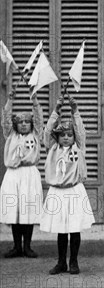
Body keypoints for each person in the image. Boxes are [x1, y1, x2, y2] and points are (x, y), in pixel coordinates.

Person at [41, 95, 95, 275]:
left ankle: (74, 261)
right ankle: (61, 262)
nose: (66, 138)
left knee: (74, 228)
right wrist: (56, 111)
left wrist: (75, 111)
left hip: (74, 191)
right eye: (62, 135)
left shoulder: (78, 148)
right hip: (58, 191)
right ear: (57, 137)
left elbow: (80, 130)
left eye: (69, 135)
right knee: (61, 230)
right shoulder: (52, 148)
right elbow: (47, 132)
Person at [0, 91, 43, 258]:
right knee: (14, 210)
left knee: (28, 209)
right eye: (20, 122)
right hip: (13, 174)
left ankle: (27, 246)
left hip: (29, 174)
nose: (24, 124)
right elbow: (5, 118)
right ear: (15, 124)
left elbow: (39, 118)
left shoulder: (35, 135)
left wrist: (35, 101)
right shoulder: (10, 135)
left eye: (27, 122)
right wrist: (10, 100)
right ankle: (17, 246)